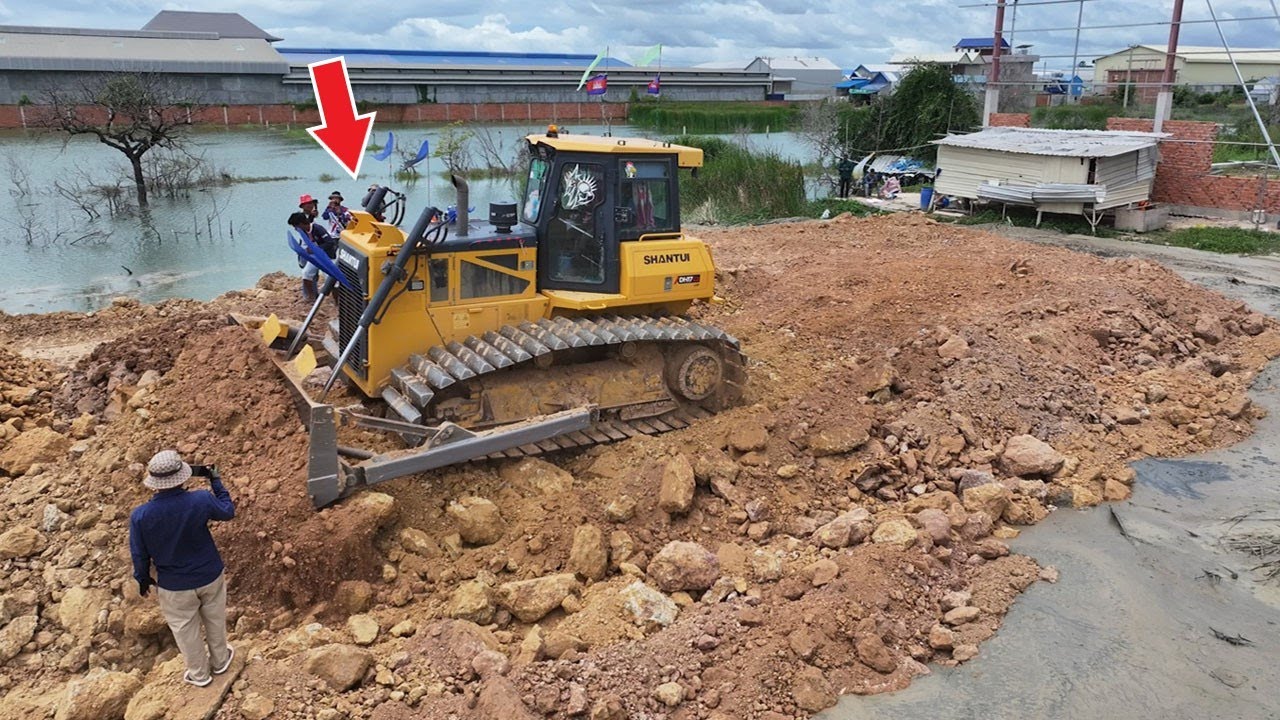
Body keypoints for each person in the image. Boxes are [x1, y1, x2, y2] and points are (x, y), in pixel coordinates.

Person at [129, 450, 236, 688]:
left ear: (154, 482)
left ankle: (199, 675)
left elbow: (139, 555)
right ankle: (220, 661)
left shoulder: (140, 516)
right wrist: (216, 482)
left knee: (185, 630)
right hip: (210, 574)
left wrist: (143, 579)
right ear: (182, 476)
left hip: (174, 585)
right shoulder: (200, 499)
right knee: (215, 619)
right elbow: (228, 511)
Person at [289, 211, 337, 301]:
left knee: (331, 279)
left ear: (301, 224)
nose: (295, 229)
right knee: (306, 273)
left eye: (295, 226)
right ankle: (311, 297)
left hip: (327, 257)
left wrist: (316, 248)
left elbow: (330, 242)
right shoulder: (303, 232)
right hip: (316, 257)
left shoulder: (318, 229)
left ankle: (337, 301)